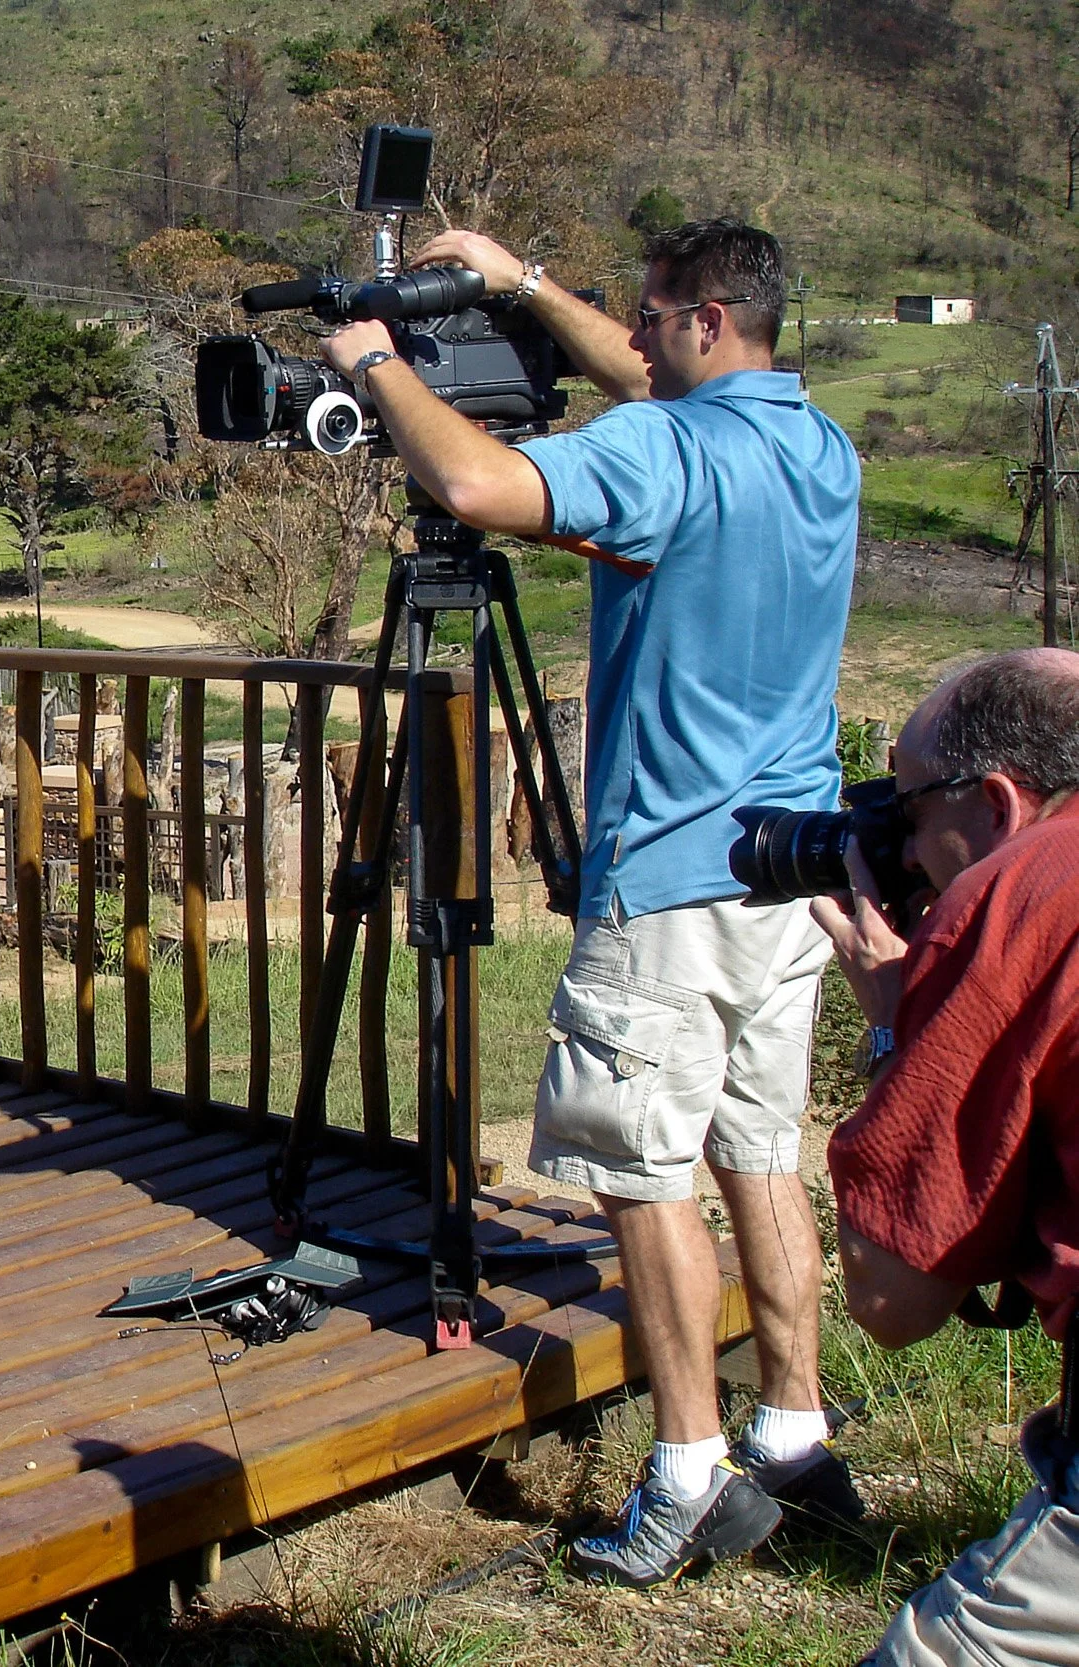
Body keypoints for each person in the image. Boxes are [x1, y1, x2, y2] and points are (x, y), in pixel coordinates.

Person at [317, 219, 861, 1584]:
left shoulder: (661, 452)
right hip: (781, 866)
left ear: (709, 319)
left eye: (658, 314)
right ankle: (795, 1431)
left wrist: (378, 365)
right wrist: (519, 284)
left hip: (670, 880)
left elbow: (479, 480)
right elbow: (641, 377)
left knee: (643, 1174)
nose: (642, 334)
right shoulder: (816, 445)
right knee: (760, 1153)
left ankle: (686, 1472)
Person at [816, 648, 1079, 1667]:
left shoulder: (1020, 885)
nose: (907, 849)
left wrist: (896, 1029)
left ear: (1003, 799)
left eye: (912, 810)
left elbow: (891, 1299)